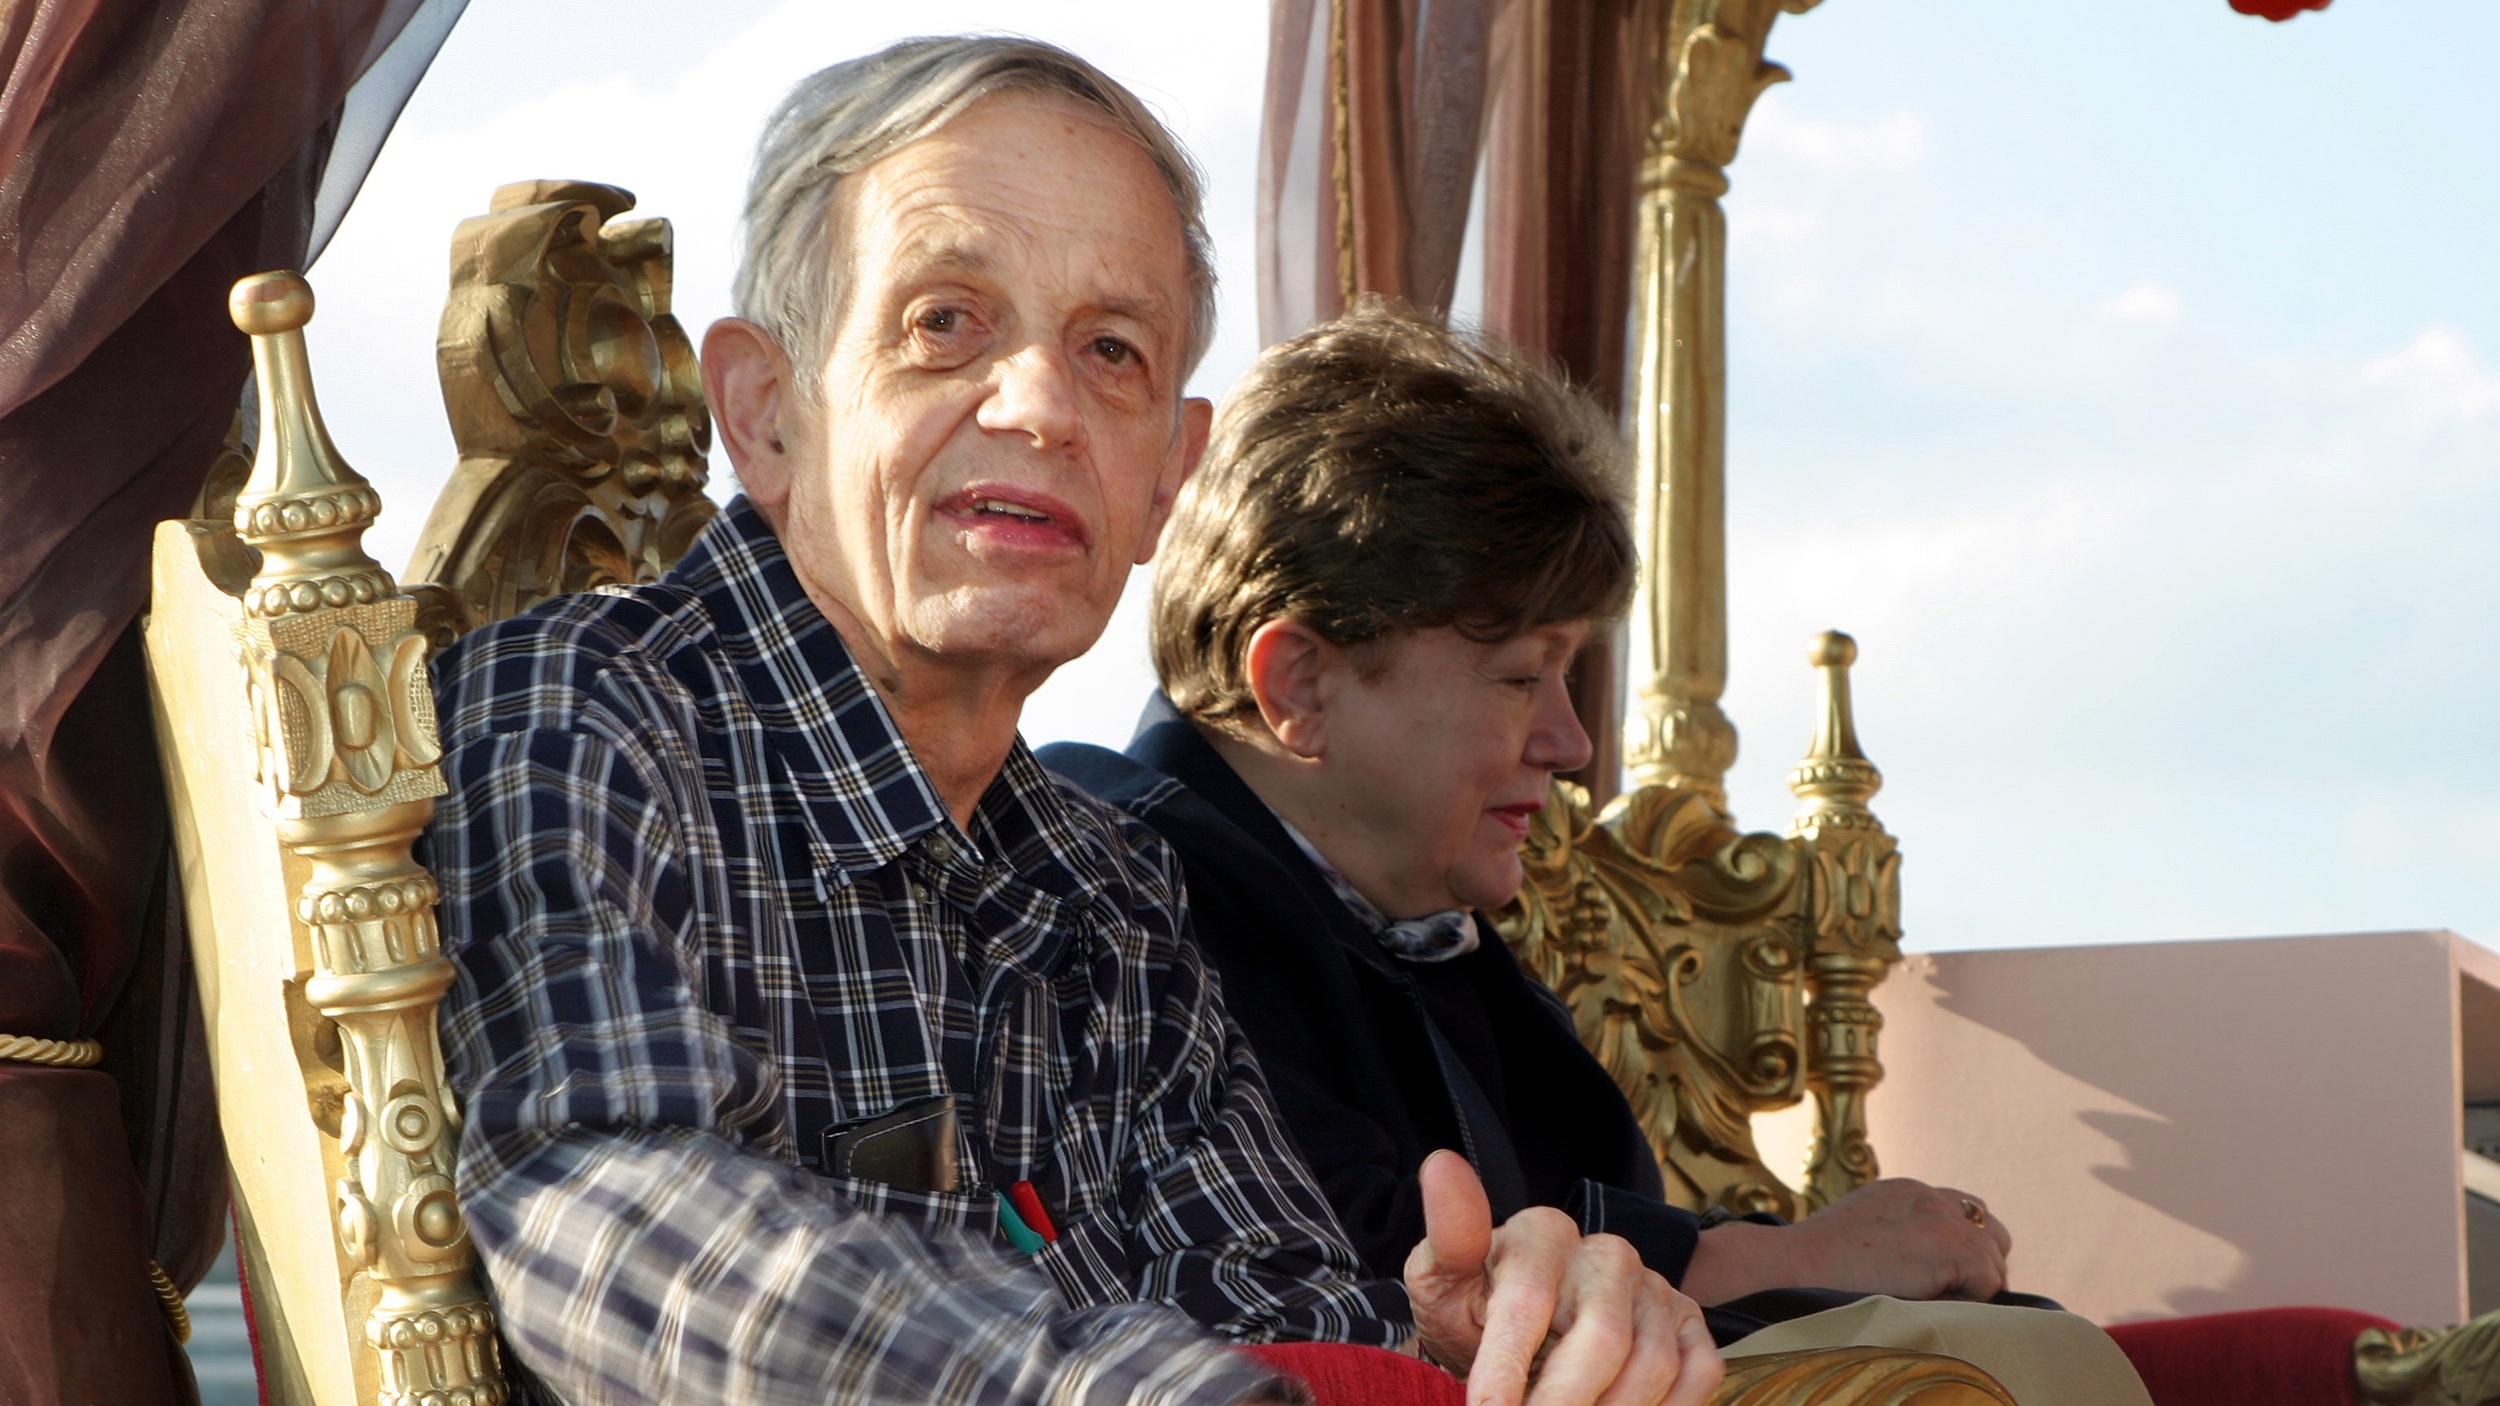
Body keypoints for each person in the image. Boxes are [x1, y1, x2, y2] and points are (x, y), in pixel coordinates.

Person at [424, 38, 1720, 1406]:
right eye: (945, 321)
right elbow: (607, 1215)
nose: (1040, 405)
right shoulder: (587, 712)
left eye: (1111, 350)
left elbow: (1264, 1293)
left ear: (1168, 474)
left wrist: (1471, 1354)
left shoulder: (1111, 886)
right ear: (765, 410)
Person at [1042, 303, 2154, 1406]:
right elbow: (1339, 1269)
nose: (1572, 746)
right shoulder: (1124, 887)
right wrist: (1788, 1259)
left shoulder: (1439, 933)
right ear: (1300, 684)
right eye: (1523, 675)